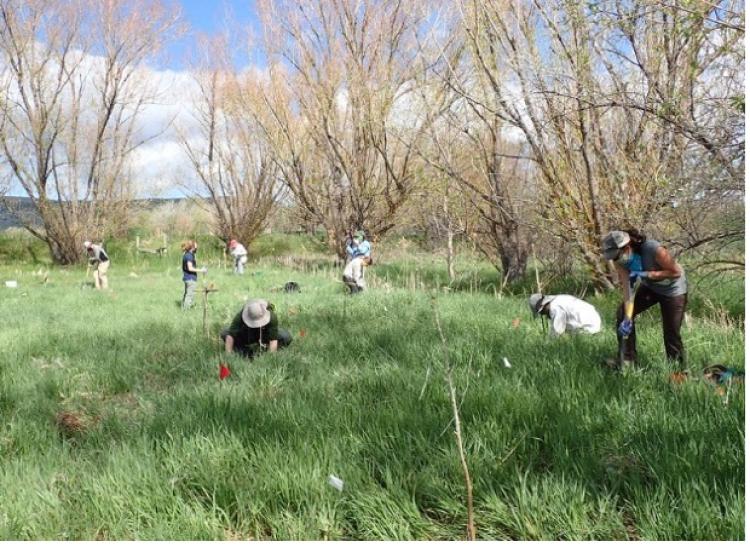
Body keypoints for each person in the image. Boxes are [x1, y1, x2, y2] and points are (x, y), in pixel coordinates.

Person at [601, 229, 688, 368]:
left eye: (617, 256)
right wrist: (628, 317)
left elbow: (676, 272)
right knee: (623, 313)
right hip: (651, 288)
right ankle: (627, 362)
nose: (615, 260)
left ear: (627, 247)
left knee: (671, 332)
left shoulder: (653, 249)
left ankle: (678, 371)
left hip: (673, 291)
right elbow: (628, 291)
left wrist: (648, 274)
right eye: (613, 258)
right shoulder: (620, 261)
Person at [221, 298, 293, 357]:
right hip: (247, 333)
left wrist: (270, 356)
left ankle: (264, 349)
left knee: (286, 337)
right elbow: (231, 335)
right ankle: (244, 351)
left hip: (265, 334)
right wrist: (228, 354)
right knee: (225, 333)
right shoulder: (241, 314)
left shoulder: (272, 316)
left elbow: (273, 339)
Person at [528, 293, 602, 337]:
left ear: (542, 307)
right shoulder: (558, 300)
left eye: (542, 313)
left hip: (589, 326)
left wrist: (547, 344)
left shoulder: (555, 307)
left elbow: (557, 331)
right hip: (593, 320)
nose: (545, 316)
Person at [181, 240, 206, 310]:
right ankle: (186, 309)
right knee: (190, 295)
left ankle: (183, 308)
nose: (197, 248)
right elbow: (190, 268)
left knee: (187, 294)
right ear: (192, 247)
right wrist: (201, 270)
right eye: (196, 246)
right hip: (190, 279)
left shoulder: (187, 254)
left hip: (188, 278)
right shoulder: (189, 256)